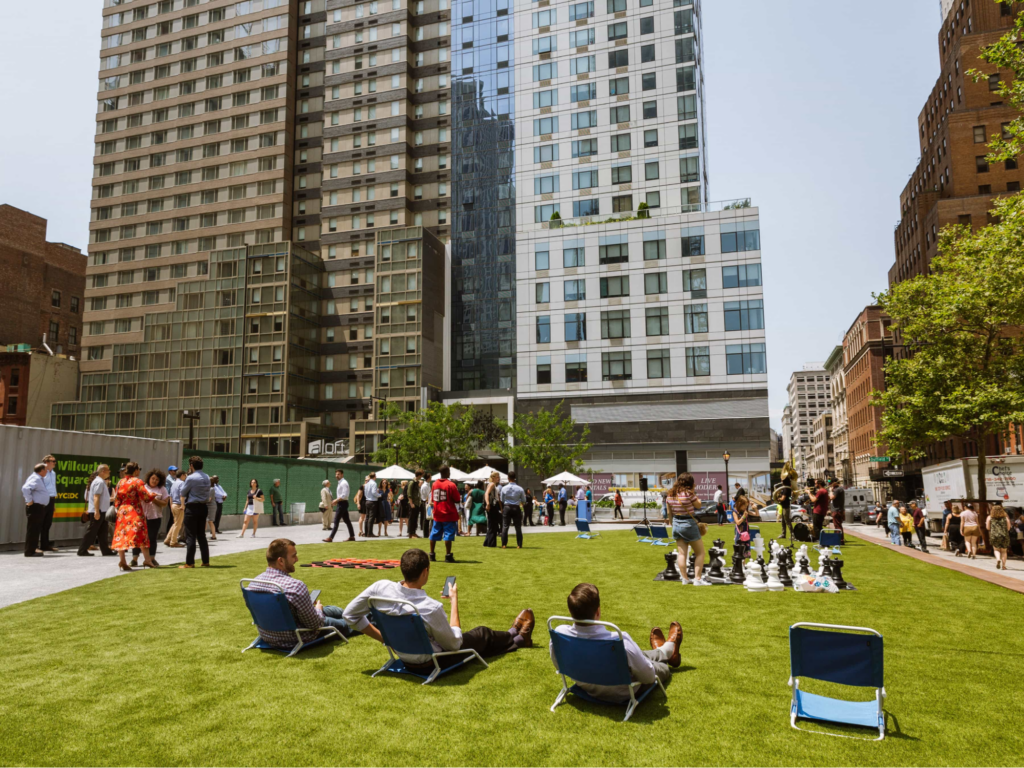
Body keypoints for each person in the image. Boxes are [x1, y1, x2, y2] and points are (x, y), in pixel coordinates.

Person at [342, 548, 534, 671]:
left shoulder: (379, 588)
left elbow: (349, 615)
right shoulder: (429, 607)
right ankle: (515, 636)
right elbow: (454, 645)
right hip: (429, 662)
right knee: (482, 634)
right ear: (425, 572)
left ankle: (517, 638)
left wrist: (386, 640)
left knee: (479, 642)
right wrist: (454, 602)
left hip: (402, 654)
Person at [550, 583, 681, 703]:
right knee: (660, 667)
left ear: (570, 611)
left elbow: (559, 665)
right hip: (623, 692)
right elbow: (648, 677)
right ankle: (669, 650)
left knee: (635, 656)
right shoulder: (618, 640)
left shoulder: (560, 634)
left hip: (587, 685)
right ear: (598, 611)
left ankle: (663, 651)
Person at [248, 539, 358, 648]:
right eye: (293, 556)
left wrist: (308, 606)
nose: (297, 559)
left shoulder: (253, 584)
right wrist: (318, 610)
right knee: (351, 623)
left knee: (334, 610)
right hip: (297, 637)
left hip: (268, 636)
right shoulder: (294, 586)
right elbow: (315, 625)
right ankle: (370, 617)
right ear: (281, 561)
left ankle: (356, 614)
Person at [111, 462, 160, 571]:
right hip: (134, 511)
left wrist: (118, 509)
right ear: (136, 470)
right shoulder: (138, 482)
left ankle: (122, 561)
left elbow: (117, 499)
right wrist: (154, 495)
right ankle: (147, 560)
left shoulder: (120, 482)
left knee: (121, 535)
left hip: (122, 511)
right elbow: (146, 497)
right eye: (139, 469)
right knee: (141, 534)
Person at [666, 473, 708, 585]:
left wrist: (673, 524)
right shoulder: (689, 493)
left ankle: (685, 579)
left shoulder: (670, 494)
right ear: (690, 483)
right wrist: (693, 491)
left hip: (676, 524)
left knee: (682, 554)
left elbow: (669, 513)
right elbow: (698, 505)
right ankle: (698, 579)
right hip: (688, 523)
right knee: (700, 553)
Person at [178, 456, 212, 569]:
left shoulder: (191, 478)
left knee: (190, 536)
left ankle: (190, 562)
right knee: (201, 535)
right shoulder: (207, 477)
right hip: (203, 507)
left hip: (192, 508)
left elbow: (183, 492)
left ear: (191, 466)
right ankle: (205, 561)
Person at [132, 469, 169, 567]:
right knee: (137, 537)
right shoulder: (142, 487)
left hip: (155, 517)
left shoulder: (162, 489)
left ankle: (151, 558)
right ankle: (134, 559)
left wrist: (153, 499)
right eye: (153, 478)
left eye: (157, 479)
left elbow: (165, 503)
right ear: (149, 478)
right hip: (140, 516)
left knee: (152, 538)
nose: (154, 481)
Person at [78, 464, 114, 557]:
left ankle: (106, 550)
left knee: (103, 532)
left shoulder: (100, 481)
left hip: (102, 510)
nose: (109, 472)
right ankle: (82, 550)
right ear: (103, 471)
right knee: (92, 531)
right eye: (108, 470)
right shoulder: (99, 482)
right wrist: (96, 511)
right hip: (99, 511)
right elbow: (96, 497)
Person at [429, 466, 461, 563]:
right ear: (447, 472)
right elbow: (457, 499)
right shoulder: (451, 485)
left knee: (434, 534)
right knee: (448, 535)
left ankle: (431, 554)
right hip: (448, 513)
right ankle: (448, 555)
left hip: (437, 513)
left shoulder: (434, 484)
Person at [21, 463, 50, 558]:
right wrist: (29, 501)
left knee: (35, 529)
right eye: (46, 470)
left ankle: (32, 549)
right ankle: (29, 551)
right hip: (35, 507)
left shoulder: (38, 478)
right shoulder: (36, 478)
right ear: (41, 470)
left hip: (38, 507)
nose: (47, 471)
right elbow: (25, 488)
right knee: (33, 530)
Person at [324, 469, 356, 543]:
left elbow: (344, 495)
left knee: (336, 521)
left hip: (342, 504)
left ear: (342, 475)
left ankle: (330, 538)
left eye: (338, 474)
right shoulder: (340, 482)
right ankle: (352, 536)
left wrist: (336, 500)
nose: (336, 476)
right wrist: (337, 500)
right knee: (347, 521)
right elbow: (342, 495)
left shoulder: (344, 483)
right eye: (336, 474)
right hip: (342, 503)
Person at [500, 470, 527, 549]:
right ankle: (519, 545)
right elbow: (524, 500)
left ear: (508, 478)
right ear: (515, 478)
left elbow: (502, 499)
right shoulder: (520, 488)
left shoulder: (504, 488)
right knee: (518, 527)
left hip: (507, 507)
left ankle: (504, 544)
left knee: (505, 526)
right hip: (516, 507)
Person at [39, 455, 58, 553]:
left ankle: (45, 545)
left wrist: (53, 503)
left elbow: (52, 487)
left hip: (51, 499)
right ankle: (34, 546)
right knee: (39, 523)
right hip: (43, 499)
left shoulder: (53, 473)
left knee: (47, 523)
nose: (55, 462)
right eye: (53, 461)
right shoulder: (41, 472)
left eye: (55, 461)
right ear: (47, 462)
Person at [165, 470, 186, 548]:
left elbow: (170, 496)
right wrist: (183, 505)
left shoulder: (174, 483)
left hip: (173, 504)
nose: (185, 477)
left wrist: (171, 505)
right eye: (185, 475)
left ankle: (168, 539)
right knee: (178, 524)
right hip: (179, 505)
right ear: (182, 475)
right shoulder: (182, 483)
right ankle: (173, 542)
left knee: (175, 523)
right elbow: (182, 494)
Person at [987, 505, 1010, 570]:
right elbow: (1008, 528)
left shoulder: (989, 517)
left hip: (994, 535)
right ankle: (1003, 566)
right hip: (1004, 535)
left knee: (996, 549)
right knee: (1004, 551)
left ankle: (998, 559)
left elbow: (988, 527)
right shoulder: (1005, 518)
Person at [483, 471, 502, 548]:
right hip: (492, 506)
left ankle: (488, 542)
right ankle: (491, 543)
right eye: (497, 476)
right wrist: (487, 503)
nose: (499, 478)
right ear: (493, 477)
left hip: (493, 505)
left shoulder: (492, 485)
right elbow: (486, 493)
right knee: (493, 524)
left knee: (492, 524)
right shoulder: (492, 484)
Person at [829, 479, 846, 545]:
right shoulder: (839, 489)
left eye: (831, 483)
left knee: (838, 526)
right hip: (838, 510)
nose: (830, 484)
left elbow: (831, 497)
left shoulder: (838, 489)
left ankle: (840, 540)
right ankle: (837, 539)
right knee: (837, 526)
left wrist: (830, 491)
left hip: (837, 510)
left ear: (834, 483)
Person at [363, 473, 380, 537]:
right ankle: (370, 533)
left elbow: (365, 493)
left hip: (367, 500)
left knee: (367, 517)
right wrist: (379, 495)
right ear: (375, 476)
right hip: (373, 501)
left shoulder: (367, 484)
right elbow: (374, 492)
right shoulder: (374, 483)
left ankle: (366, 532)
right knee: (371, 517)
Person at [406, 471, 423, 539]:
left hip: (417, 503)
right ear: (419, 475)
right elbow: (409, 494)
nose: (422, 477)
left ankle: (414, 532)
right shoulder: (412, 482)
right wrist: (411, 503)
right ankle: (410, 533)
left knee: (415, 519)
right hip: (413, 504)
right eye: (421, 475)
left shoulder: (417, 483)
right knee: (411, 519)